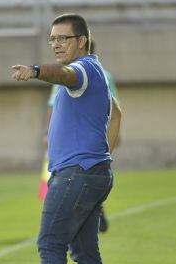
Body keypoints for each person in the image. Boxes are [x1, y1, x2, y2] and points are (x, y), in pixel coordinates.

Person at [2, 14, 122, 264]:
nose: (56, 44)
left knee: (50, 244)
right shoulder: (96, 70)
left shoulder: (81, 70)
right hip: (92, 172)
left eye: (63, 38)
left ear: (82, 41)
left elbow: (63, 74)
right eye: (52, 39)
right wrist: (102, 155)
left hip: (76, 175)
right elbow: (118, 112)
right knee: (86, 253)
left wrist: (36, 71)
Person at [40, 50, 121, 233]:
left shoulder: (66, 74)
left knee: (50, 241)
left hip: (76, 144)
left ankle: (81, 214)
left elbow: (114, 109)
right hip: (84, 145)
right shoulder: (100, 75)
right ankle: (93, 211)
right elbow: (116, 110)